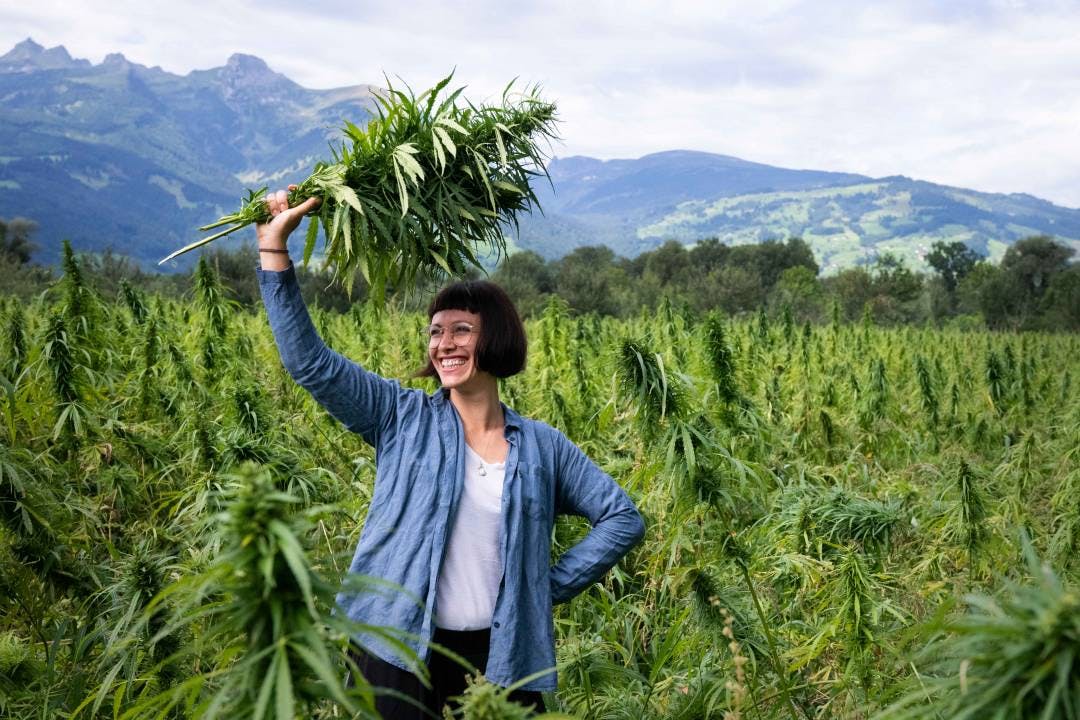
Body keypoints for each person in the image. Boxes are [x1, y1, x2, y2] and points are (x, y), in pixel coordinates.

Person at [255, 188, 646, 717]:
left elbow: (622, 518)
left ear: (496, 339)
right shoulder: (400, 416)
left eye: (462, 329)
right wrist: (273, 250)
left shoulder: (542, 447)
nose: (444, 344)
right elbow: (311, 364)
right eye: (436, 332)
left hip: (502, 659)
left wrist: (543, 588)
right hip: (395, 651)